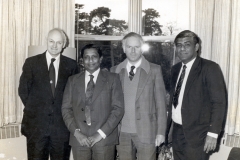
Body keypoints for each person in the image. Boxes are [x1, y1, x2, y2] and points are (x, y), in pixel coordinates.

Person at [18, 28, 78, 160]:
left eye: (59, 42)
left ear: (64, 45)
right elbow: (23, 91)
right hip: (36, 128)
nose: (54, 46)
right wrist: (38, 110)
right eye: (51, 41)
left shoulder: (72, 65)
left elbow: (74, 96)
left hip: (61, 130)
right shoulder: (31, 63)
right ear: (46, 41)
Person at [167, 30, 227, 160]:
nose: (182, 48)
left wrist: (213, 133)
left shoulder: (210, 68)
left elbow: (219, 103)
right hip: (177, 132)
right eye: (178, 45)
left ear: (196, 47)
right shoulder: (175, 69)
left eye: (187, 44)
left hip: (198, 134)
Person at [62, 44, 124, 160]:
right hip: (79, 139)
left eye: (94, 56)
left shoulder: (113, 79)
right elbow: (66, 109)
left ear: (100, 59)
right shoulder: (72, 80)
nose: (90, 60)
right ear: (82, 60)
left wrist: (100, 134)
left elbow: (118, 109)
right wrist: (77, 133)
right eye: (86, 57)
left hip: (104, 139)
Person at [110, 32, 167, 160]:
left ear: (142, 48)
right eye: (129, 47)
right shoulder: (114, 71)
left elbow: (161, 105)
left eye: (136, 47)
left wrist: (160, 132)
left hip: (147, 132)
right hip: (121, 133)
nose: (133, 50)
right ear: (124, 48)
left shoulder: (154, 70)